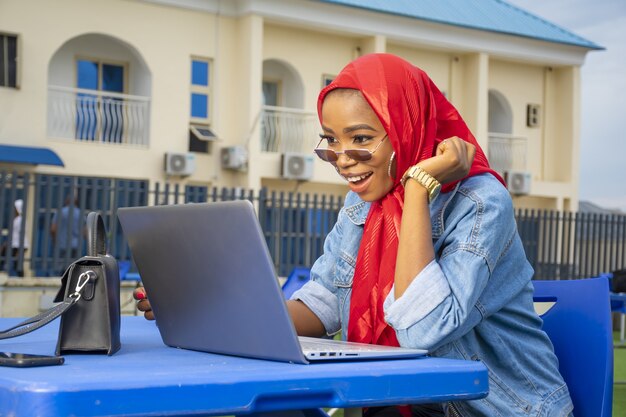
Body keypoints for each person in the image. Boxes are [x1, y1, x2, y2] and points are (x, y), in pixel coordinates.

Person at [134, 54, 573, 416]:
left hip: (489, 409)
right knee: (271, 409)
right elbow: (324, 300)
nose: (343, 159)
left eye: (360, 139)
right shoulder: (364, 202)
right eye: (330, 141)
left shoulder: (480, 203)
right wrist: (210, 307)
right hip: (398, 402)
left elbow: (423, 330)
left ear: (406, 125)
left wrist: (418, 186)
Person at [50, 195, 83, 274]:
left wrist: (54, 241)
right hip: (76, 245)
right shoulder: (80, 213)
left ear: (66, 201)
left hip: (62, 244)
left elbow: (53, 229)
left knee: (61, 267)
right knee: (74, 268)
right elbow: (85, 231)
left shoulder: (60, 212)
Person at [0, 199, 29, 277]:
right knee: (15, 263)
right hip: (15, 244)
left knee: (16, 263)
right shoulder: (18, 220)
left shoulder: (20, 220)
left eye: (15, 208)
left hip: (18, 245)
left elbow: (21, 235)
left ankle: (21, 278)